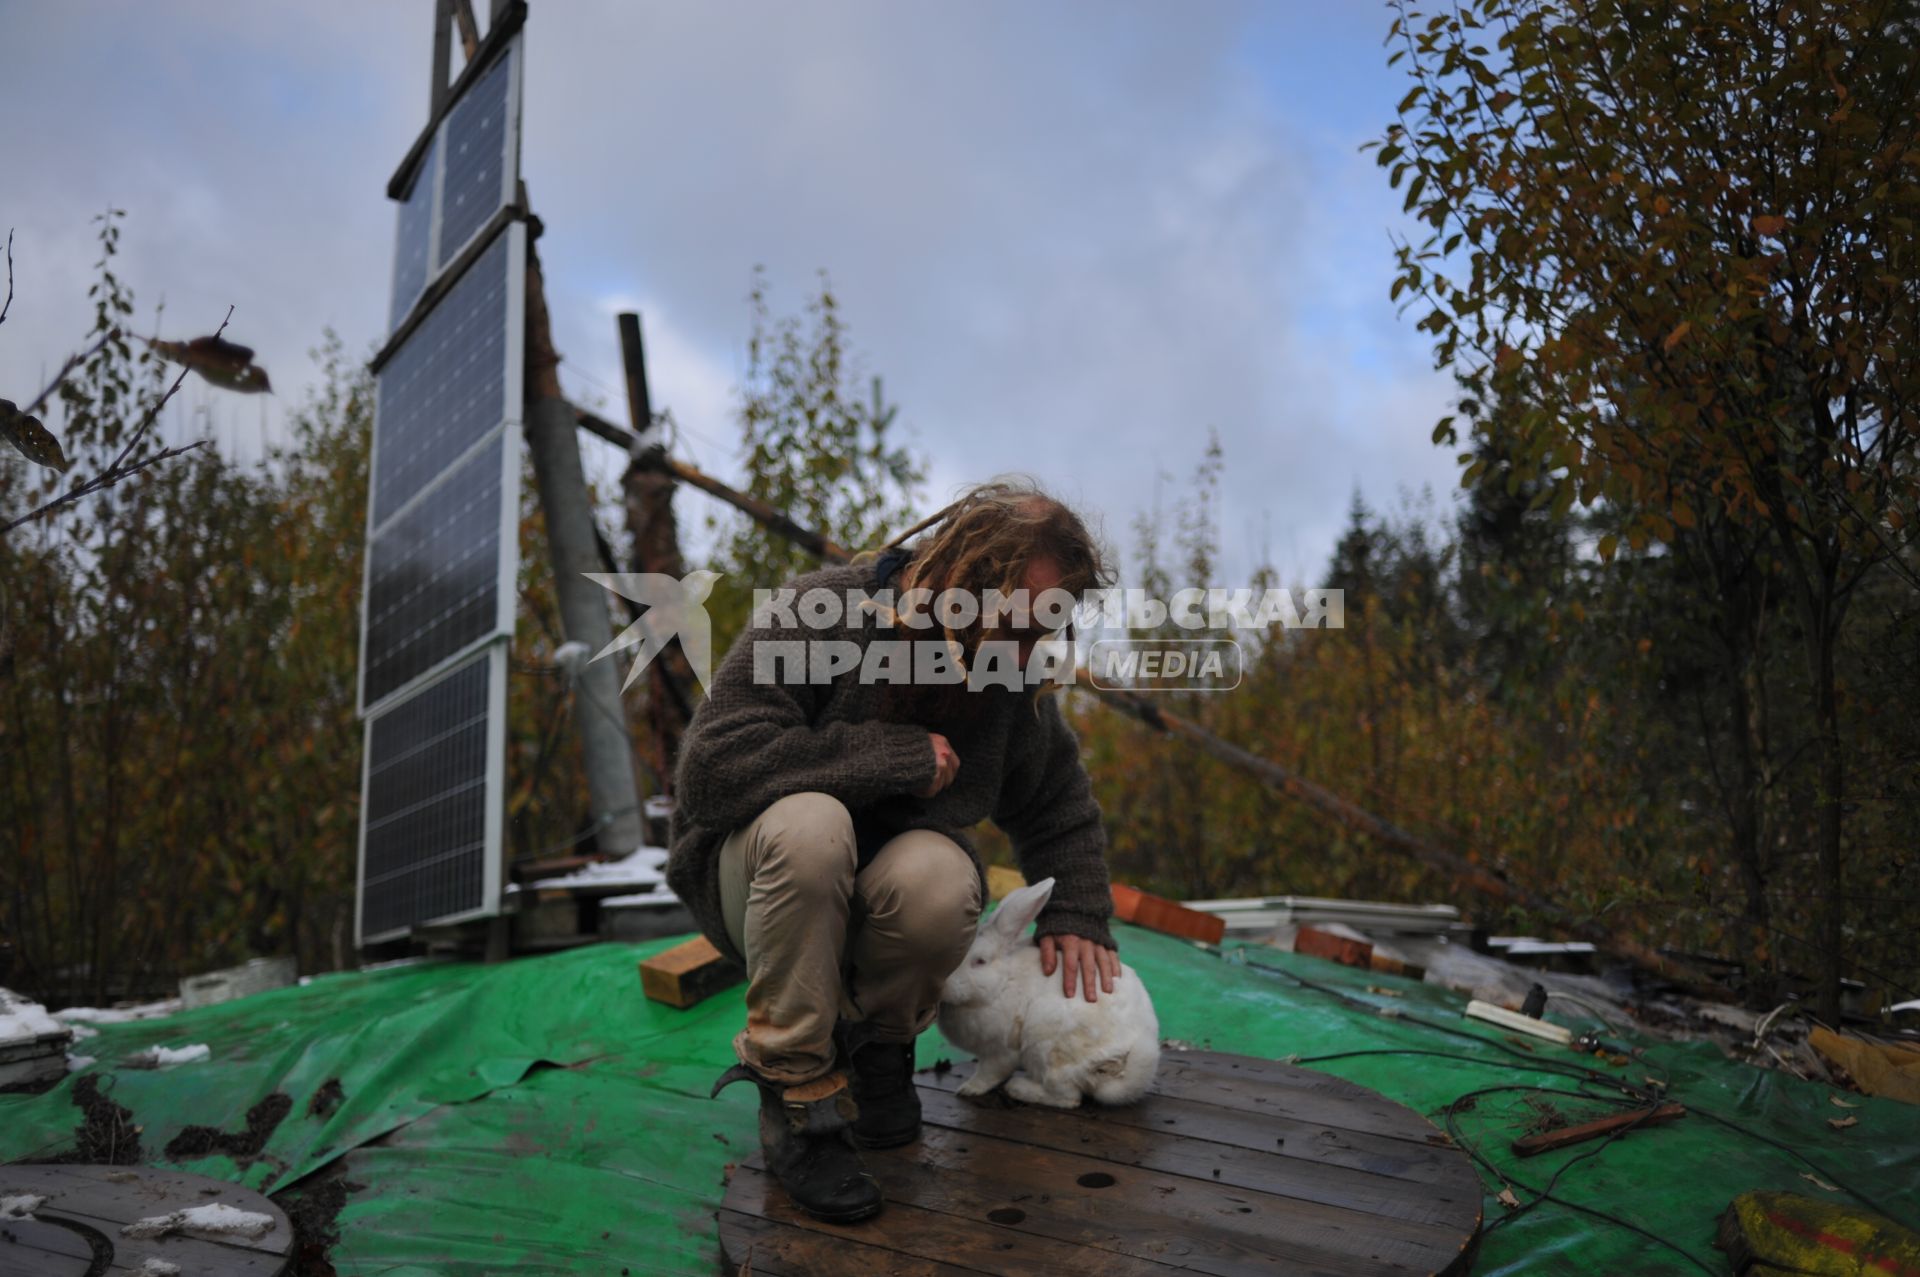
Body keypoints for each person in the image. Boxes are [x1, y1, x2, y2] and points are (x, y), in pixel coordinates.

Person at [664, 479, 1121, 1223]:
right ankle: (796, 1093)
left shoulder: (1005, 672)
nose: (1034, 650)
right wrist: (887, 755)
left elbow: (1057, 801)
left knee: (941, 877)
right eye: (1023, 624)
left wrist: (1075, 907)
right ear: (964, 584)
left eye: (1048, 631)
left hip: (871, 899)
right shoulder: (825, 614)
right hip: (756, 884)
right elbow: (712, 772)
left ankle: (877, 1050)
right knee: (812, 827)